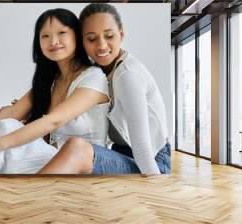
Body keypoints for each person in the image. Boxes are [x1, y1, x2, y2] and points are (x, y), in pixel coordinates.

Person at [0, 8, 110, 174]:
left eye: (62, 32)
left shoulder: (94, 78)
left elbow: (54, 121)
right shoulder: (50, 81)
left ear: (77, 36)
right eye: (45, 36)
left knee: (6, 131)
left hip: (81, 163)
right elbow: (14, 111)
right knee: (5, 126)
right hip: (48, 157)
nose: (53, 41)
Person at [39, 3, 171, 176]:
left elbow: (143, 150)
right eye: (92, 39)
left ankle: (27, 196)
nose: (102, 46)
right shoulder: (97, 71)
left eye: (109, 36)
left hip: (152, 161)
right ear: (82, 42)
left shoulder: (127, 76)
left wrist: (159, 192)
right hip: (121, 151)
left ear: (121, 35)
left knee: (76, 148)